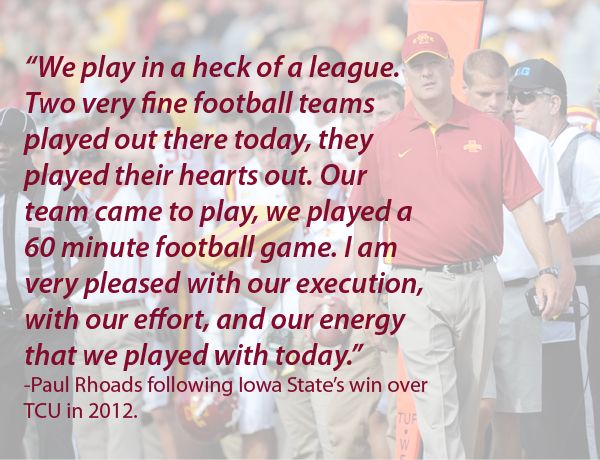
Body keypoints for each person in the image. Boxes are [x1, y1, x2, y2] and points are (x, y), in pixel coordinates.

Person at [351, 31, 559, 458]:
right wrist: (366, 297)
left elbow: (523, 203)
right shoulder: (385, 138)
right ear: (405, 74)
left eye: (434, 63)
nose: (426, 72)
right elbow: (365, 223)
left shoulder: (490, 131)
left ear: (450, 67)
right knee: (437, 400)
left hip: (481, 279)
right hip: (414, 286)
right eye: (417, 65)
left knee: (468, 402)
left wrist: (546, 269)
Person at [463, 49, 575, 459]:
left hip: (518, 289)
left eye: (503, 94)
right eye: (485, 94)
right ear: (465, 90)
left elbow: (551, 218)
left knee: (512, 415)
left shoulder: (534, 145)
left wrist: (562, 273)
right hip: (468, 288)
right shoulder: (449, 141)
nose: (496, 103)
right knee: (480, 406)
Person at [0, 107, 103, 458]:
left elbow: (94, 254)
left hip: (48, 325)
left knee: (53, 434)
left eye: (10, 141)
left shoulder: (59, 194)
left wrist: (47, 299)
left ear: (29, 144)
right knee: (5, 436)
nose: (2, 148)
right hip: (2, 327)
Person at [510, 58, 600, 458]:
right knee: (541, 412)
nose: (515, 106)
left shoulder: (583, 151)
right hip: (538, 291)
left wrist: (546, 250)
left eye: (526, 97)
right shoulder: (526, 150)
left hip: (583, 291)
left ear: (554, 103)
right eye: (512, 97)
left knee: (581, 409)